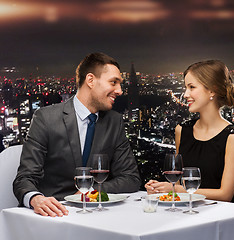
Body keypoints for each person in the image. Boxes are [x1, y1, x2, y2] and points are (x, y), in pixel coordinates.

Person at [13, 52, 141, 217]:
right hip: (55, 215)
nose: (120, 91)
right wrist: (36, 199)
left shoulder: (114, 121)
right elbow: (24, 178)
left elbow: (131, 178)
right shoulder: (46, 118)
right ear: (90, 80)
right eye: (113, 82)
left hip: (100, 215)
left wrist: (91, 192)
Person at [145, 60, 234, 202]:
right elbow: (178, 181)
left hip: (222, 214)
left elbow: (225, 195)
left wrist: (178, 190)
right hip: (187, 209)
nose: (185, 94)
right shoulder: (182, 130)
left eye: (192, 87)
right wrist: (160, 188)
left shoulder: (233, 136)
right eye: (186, 87)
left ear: (212, 90)